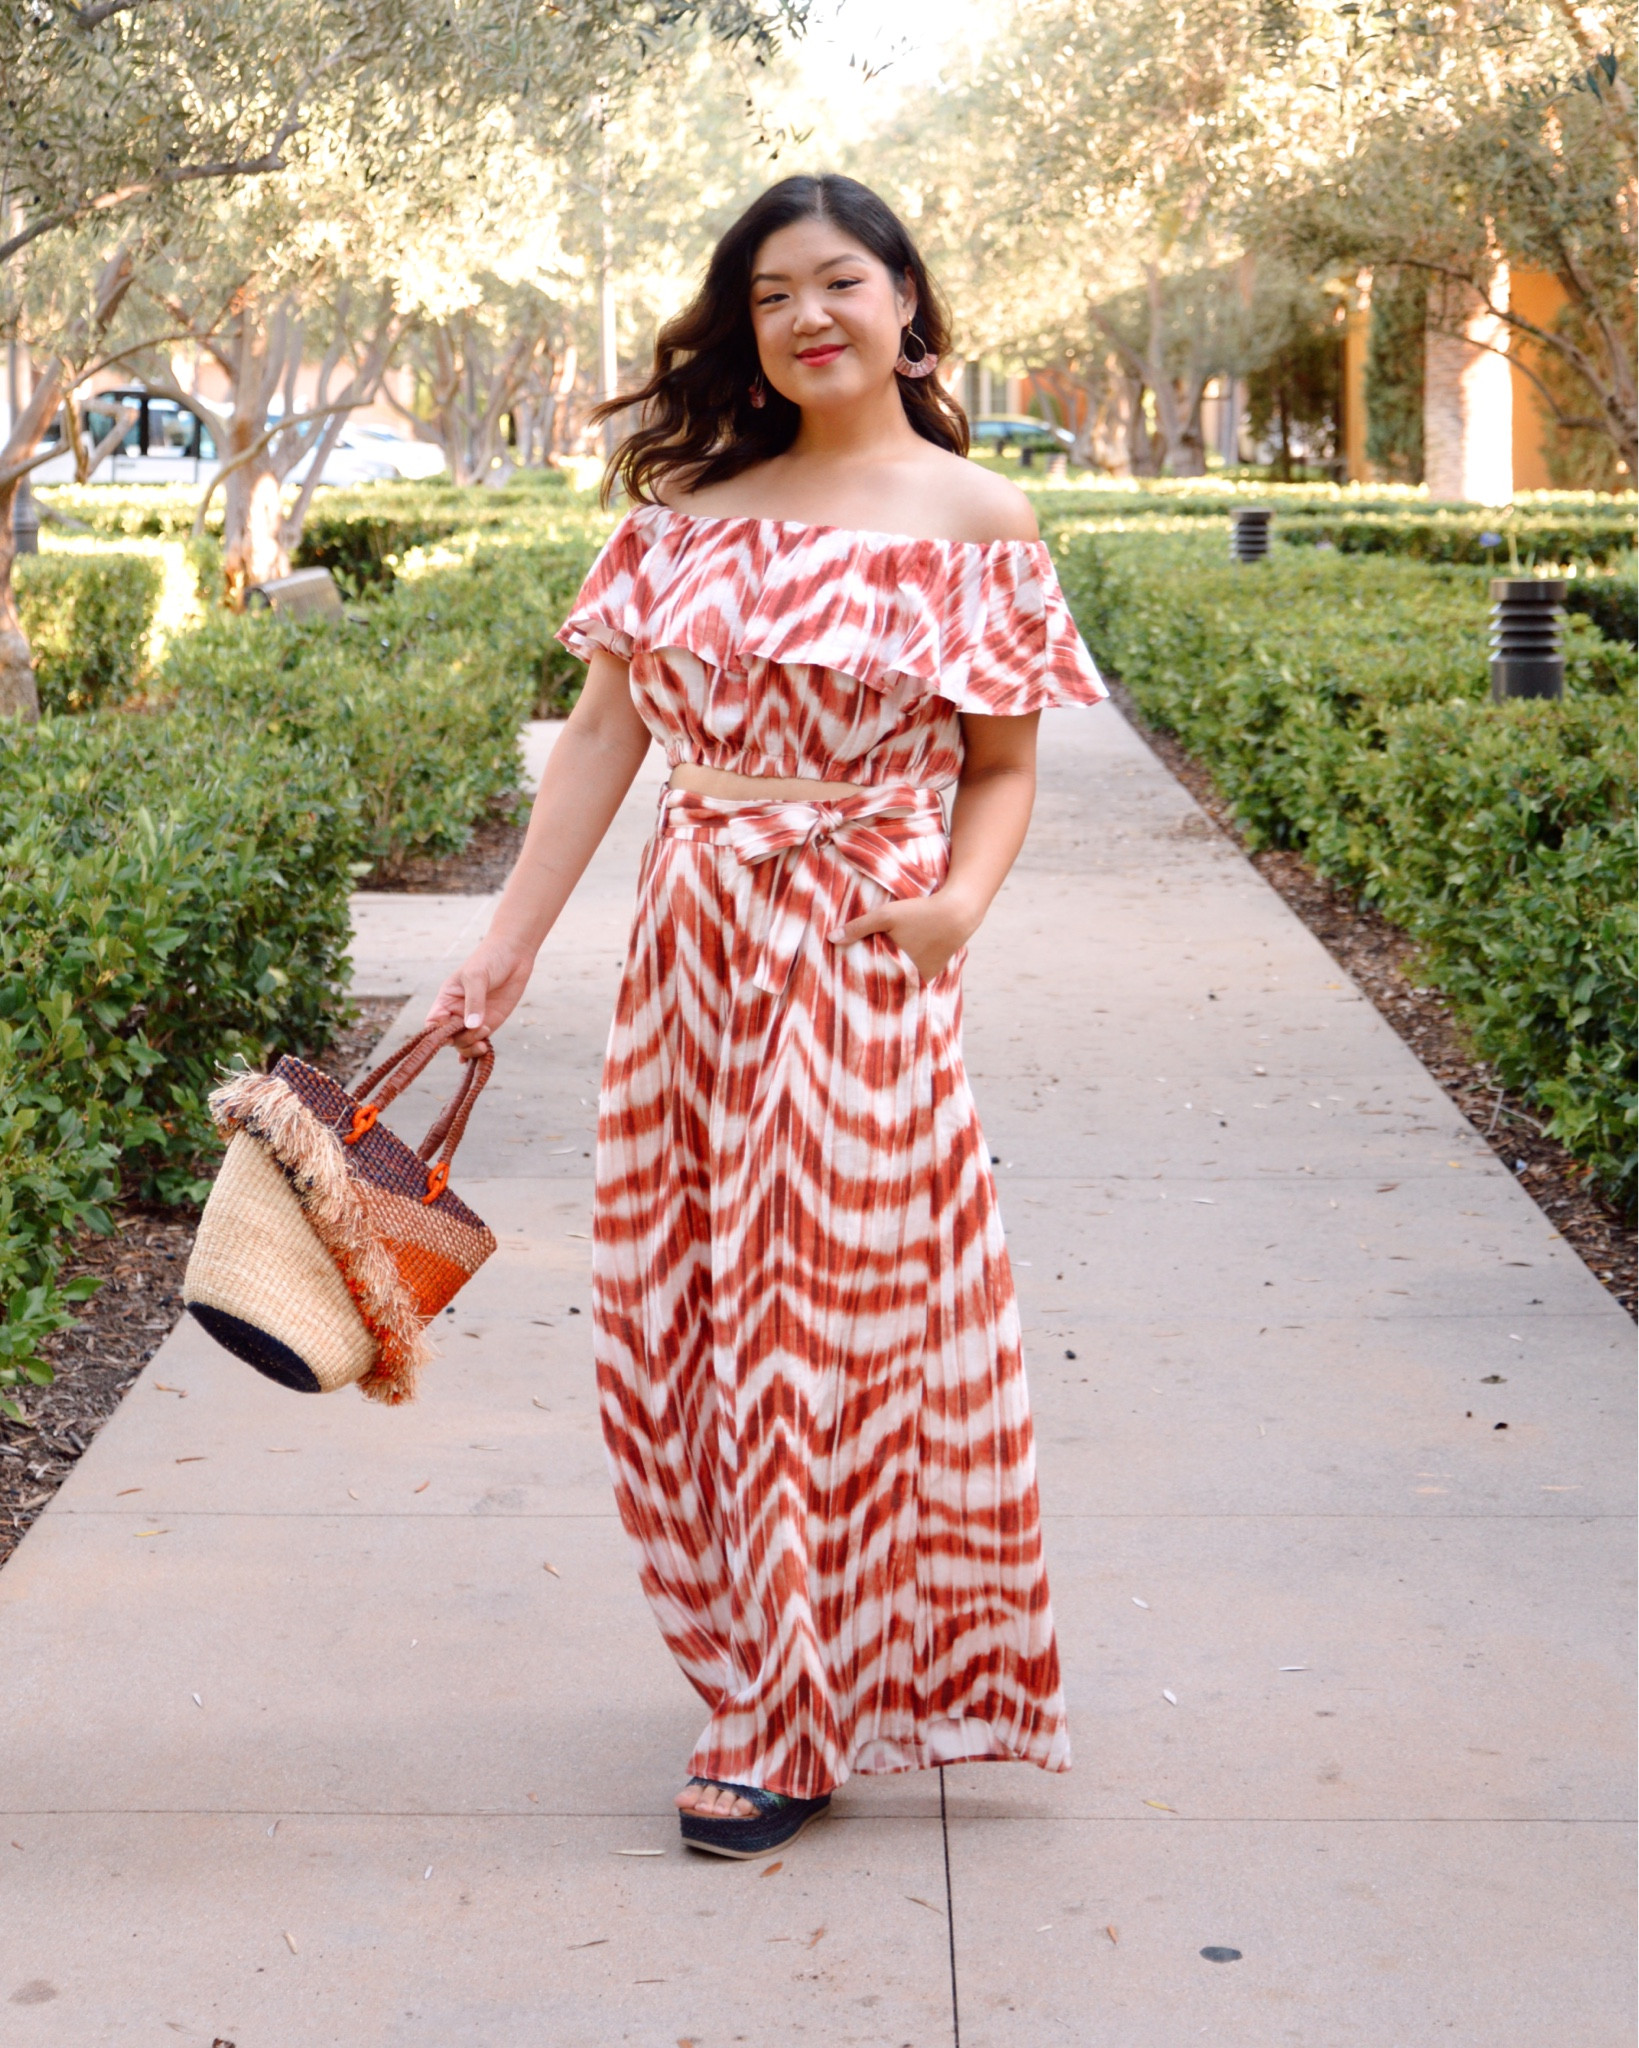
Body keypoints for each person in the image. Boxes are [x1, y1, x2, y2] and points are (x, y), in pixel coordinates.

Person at [427, 173, 1106, 1859]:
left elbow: (1005, 766)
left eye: (841, 283)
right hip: (693, 948)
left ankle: (789, 1713)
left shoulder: (978, 520)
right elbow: (604, 742)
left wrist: (952, 911)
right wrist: (505, 947)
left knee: (824, 1319)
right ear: (746, 327)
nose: (810, 316)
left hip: (864, 948)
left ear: (906, 306)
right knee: (684, 1313)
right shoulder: (688, 508)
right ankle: (760, 1655)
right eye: (774, 294)